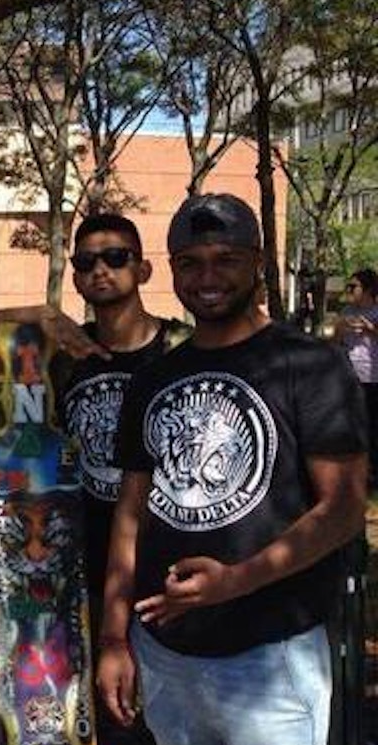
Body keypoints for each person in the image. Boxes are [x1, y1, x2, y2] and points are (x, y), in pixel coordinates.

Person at [99, 194, 367, 745]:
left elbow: (342, 510)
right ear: (172, 271)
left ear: (258, 263)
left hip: (271, 660)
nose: (208, 277)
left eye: (226, 259)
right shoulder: (155, 378)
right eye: (191, 264)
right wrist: (113, 638)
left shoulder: (309, 365)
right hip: (164, 652)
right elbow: (129, 515)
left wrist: (234, 581)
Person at [336, 268, 378, 485]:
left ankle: (372, 473)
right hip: (350, 377)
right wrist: (339, 331)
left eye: (354, 287)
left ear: (368, 289)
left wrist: (371, 329)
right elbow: (334, 343)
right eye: (349, 286)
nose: (350, 291)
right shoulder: (346, 312)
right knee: (353, 425)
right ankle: (356, 473)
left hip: (373, 378)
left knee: (372, 426)